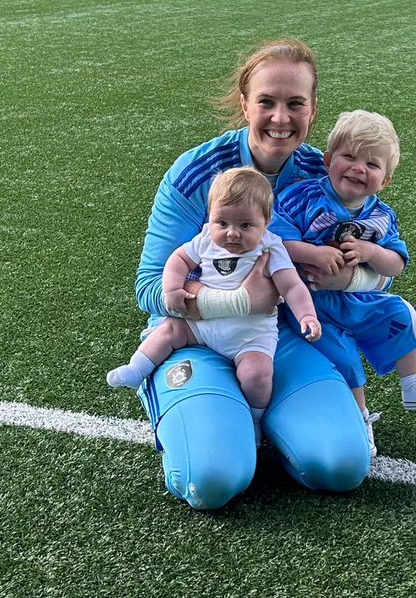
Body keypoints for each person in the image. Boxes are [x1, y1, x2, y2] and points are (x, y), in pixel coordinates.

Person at [130, 38, 372, 509]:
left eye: (295, 104)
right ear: (244, 104)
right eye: (266, 102)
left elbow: (375, 267)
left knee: (342, 466)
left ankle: (266, 420)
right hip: (196, 337)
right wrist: (239, 301)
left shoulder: (327, 175)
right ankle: (199, 409)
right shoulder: (197, 173)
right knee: (214, 479)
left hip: (277, 342)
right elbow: (148, 287)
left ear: (313, 109)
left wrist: (351, 278)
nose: (280, 118)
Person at [273, 109, 416, 456]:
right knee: (343, 356)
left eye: (372, 165)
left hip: (356, 298)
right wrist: (313, 255)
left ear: (386, 179)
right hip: (310, 304)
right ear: (328, 160)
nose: (359, 168)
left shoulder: (381, 216)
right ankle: (359, 417)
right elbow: (276, 241)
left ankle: (414, 381)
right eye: (349, 157)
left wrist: (370, 251)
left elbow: (396, 263)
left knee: (399, 311)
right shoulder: (302, 197)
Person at [108, 167, 322, 443]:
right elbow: (178, 259)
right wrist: (173, 288)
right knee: (170, 330)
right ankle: (137, 369)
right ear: (210, 217)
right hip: (201, 327)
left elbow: (292, 286)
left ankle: (256, 420)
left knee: (257, 374)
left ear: (266, 222)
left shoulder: (271, 249)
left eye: (245, 225)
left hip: (249, 336)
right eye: (222, 222)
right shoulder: (206, 239)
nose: (232, 233)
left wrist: (307, 315)